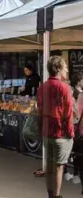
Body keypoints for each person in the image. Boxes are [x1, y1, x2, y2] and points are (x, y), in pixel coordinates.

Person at [37, 56, 74, 198]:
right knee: (59, 167)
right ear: (58, 68)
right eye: (65, 67)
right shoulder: (65, 87)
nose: (67, 70)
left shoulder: (42, 87)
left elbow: (40, 109)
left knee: (50, 167)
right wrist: (70, 133)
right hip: (61, 133)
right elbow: (68, 113)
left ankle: (50, 195)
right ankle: (57, 196)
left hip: (47, 132)